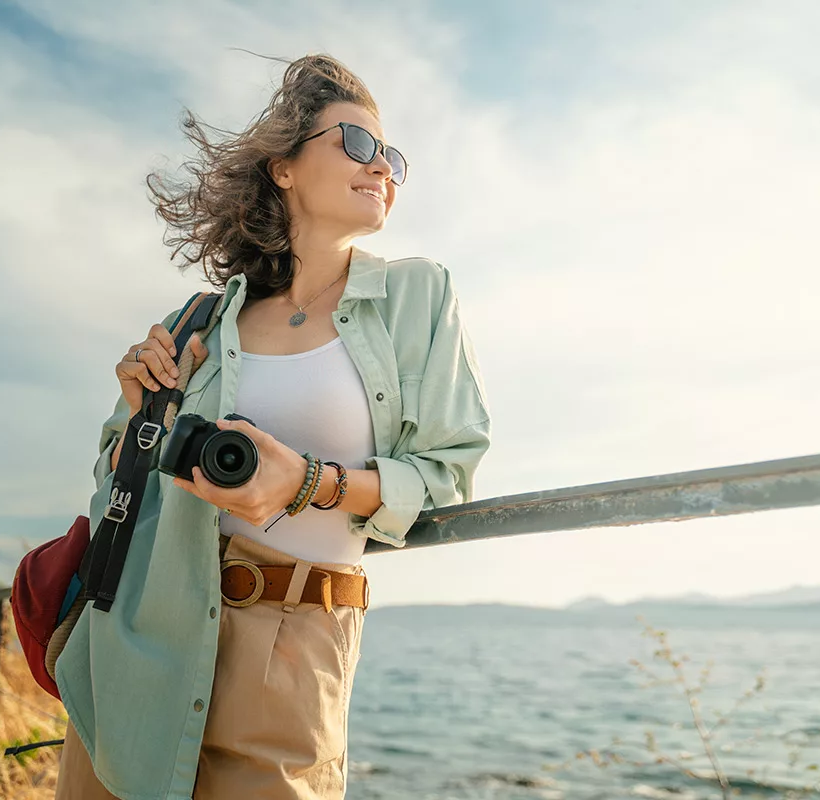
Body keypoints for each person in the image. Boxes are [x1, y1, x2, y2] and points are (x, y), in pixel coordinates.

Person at [53, 54, 492, 799]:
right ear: (283, 167)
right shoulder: (197, 321)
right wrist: (140, 413)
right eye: (356, 144)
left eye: (391, 155)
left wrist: (308, 482)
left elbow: (445, 473)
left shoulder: (418, 296)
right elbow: (114, 481)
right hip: (140, 628)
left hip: (297, 642)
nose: (380, 166)